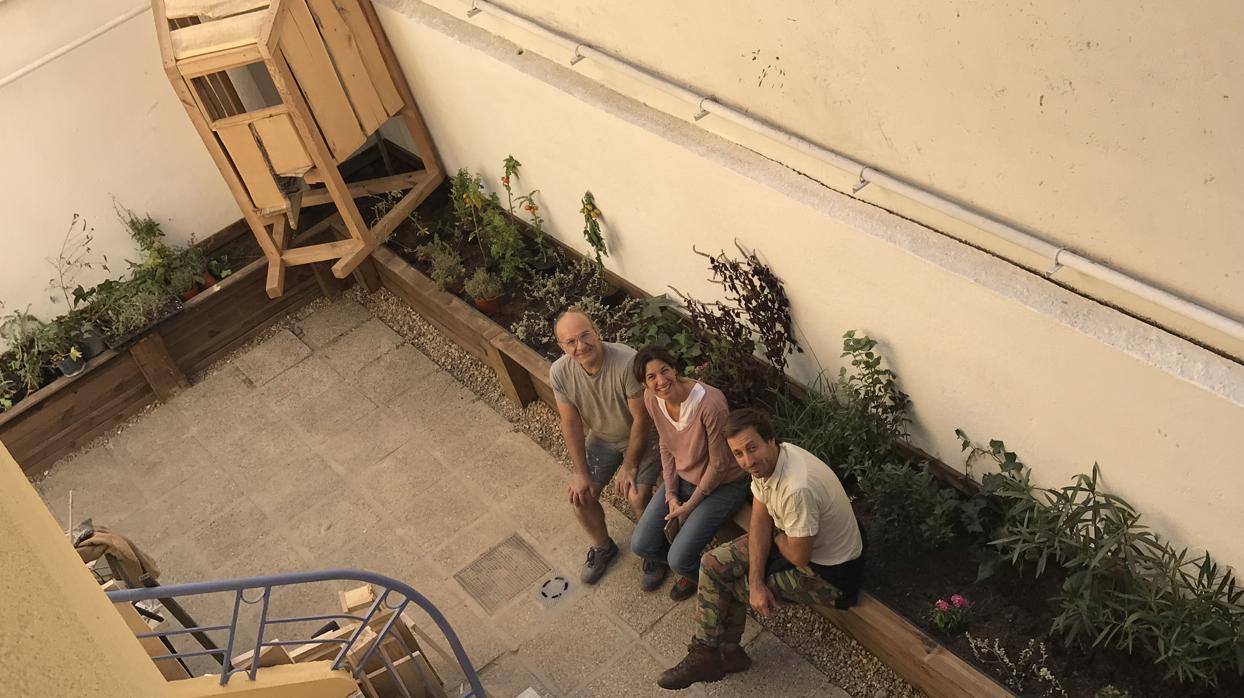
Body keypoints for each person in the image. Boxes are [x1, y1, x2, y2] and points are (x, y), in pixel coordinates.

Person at [657, 407, 865, 690]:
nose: (747, 460)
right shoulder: (770, 462)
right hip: (792, 539)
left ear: (771, 440)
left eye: (752, 448)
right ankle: (711, 653)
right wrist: (756, 579)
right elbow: (760, 511)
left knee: (729, 586)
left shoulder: (796, 489)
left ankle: (725, 654)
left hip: (828, 573)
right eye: (738, 453)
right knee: (711, 563)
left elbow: (799, 555)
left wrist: (776, 540)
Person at [630, 346, 751, 601]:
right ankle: (690, 569)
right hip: (685, 478)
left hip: (724, 484)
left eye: (665, 371)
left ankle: (719, 588)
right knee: (640, 544)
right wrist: (671, 493)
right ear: (644, 383)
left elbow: (719, 465)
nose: (661, 381)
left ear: (675, 368)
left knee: (679, 558)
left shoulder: (711, 404)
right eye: (651, 377)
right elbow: (665, 443)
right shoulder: (651, 398)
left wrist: (690, 506)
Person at [551, 309, 660, 585]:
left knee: (636, 495)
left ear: (596, 330)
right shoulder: (560, 372)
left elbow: (642, 420)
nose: (581, 345)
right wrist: (580, 472)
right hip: (602, 438)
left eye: (585, 335)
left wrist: (629, 465)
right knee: (581, 496)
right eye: (571, 342)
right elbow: (571, 423)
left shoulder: (626, 362)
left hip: (643, 436)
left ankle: (655, 551)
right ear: (562, 347)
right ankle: (603, 547)